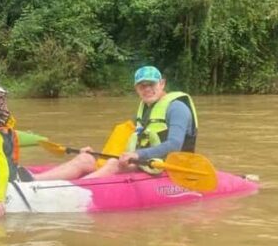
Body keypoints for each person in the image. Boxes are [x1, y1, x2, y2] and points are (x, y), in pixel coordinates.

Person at [33, 66, 198, 181]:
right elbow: (123, 139)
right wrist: (98, 154)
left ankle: (73, 189)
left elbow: (175, 144)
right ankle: (32, 181)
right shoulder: (145, 109)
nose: (146, 89)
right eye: (142, 86)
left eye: (151, 84)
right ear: (136, 89)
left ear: (162, 84)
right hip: (145, 161)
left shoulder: (177, 108)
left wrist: (139, 155)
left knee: (114, 164)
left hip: (169, 166)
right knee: (85, 158)